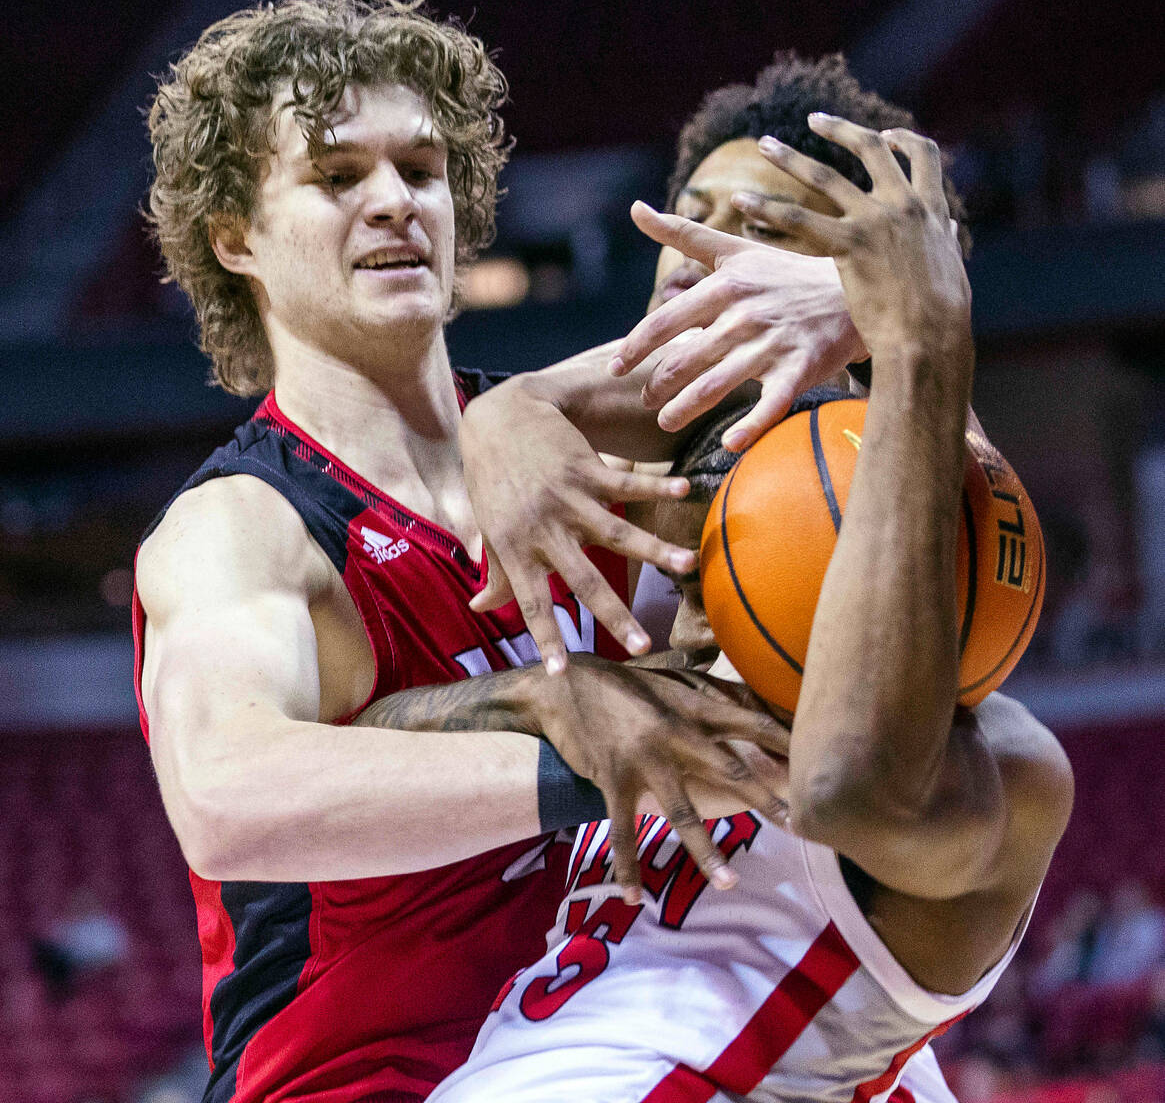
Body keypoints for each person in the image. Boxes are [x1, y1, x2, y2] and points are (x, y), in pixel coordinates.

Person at [133, 0, 856, 1103]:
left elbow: (852, 322)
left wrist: (859, 291)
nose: (393, 202)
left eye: (420, 170)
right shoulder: (243, 526)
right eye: (337, 176)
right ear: (234, 236)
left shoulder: (562, 428)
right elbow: (228, 797)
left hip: (582, 1055)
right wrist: (589, 754)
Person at [363, 56, 1074, 1100]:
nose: (693, 252)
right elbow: (369, 745)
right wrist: (541, 695)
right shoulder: (645, 653)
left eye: (758, 228)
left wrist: (917, 334)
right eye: (688, 216)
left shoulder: (1000, 767)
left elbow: (845, 786)